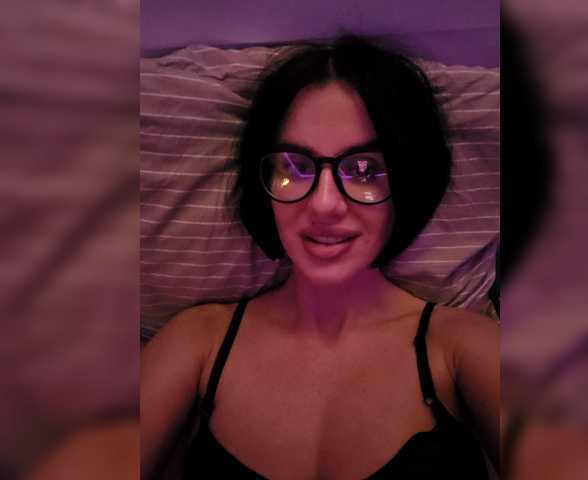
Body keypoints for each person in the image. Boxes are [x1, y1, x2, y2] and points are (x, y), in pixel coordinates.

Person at [142, 35, 499, 479]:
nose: (325, 204)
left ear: (408, 181)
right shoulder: (198, 341)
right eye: (294, 166)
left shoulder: (463, 347)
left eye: (366, 169)